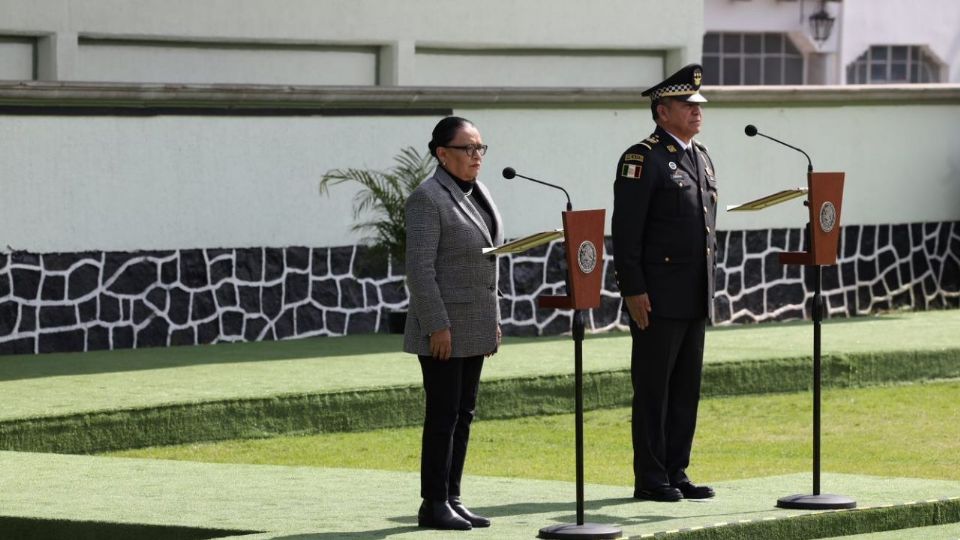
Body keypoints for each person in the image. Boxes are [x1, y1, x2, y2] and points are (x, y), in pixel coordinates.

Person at [611, 64, 719, 502]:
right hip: (656, 297)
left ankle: (677, 469)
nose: (696, 112)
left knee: (685, 389)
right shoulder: (643, 158)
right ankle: (651, 477)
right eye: (686, 105)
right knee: (654, 389)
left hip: (693, 294)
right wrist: (633, 289)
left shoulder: (701, 155)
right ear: (662, 112)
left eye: (698, 105)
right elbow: (627, 230)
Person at [404, 116, 503, 530]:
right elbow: (420, 270)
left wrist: (493, 320)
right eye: (468, 148)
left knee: (464, 413)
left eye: (481, 147)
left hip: (475, 323)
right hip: (444, 328)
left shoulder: (476, 191)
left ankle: (453, 496)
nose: (476, 155)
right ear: (442, 154)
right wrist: (437, 326)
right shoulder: (428, 198)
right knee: (443, 414)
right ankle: (433, 503)